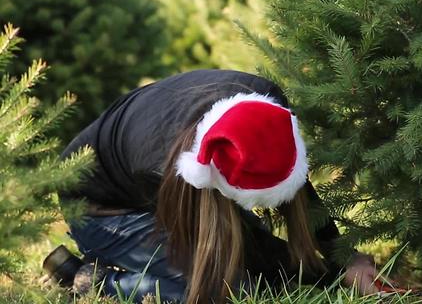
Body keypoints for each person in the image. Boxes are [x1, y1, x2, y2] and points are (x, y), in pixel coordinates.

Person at [47, 70, 380, 303]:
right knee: (233, 291)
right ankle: (94, 281)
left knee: (275, 270)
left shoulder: (268, 103)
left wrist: (345, 260)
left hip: (159, 178)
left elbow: (298, 189)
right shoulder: (166, 164)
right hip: (101, 208)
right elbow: (216, 256)